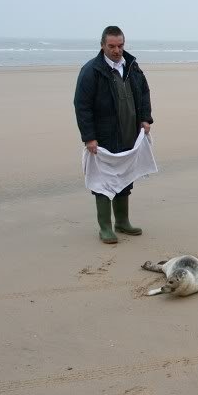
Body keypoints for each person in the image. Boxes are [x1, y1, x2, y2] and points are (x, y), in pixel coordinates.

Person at [74, 26, 153, 243]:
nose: (117, 50)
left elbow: (144, 93)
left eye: (120, 46)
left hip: (129, 132)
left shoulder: (132, 67)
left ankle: (122, 222)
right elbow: (82, 106)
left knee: (125, 176)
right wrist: (89, 136)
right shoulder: (91, 71)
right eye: (112, 46)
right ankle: (105, 228)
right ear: (102, 45)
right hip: (104, 136)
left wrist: (145, 119)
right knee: (104, 181)